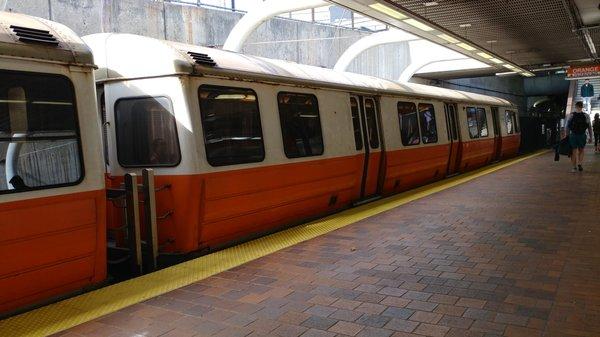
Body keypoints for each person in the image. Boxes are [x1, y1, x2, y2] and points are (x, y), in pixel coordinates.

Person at [566, 101, 593, 172]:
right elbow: (589, 127)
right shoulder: (586, 115)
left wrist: (567, 135)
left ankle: (574, 167)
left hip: (573, 135)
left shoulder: (571, 115)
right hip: (582, 135)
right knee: (581, 150)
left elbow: (567, 126)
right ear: (582, 107)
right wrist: (590, 137)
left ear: (576, 106)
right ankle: (580, 163)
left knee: (573, 151)